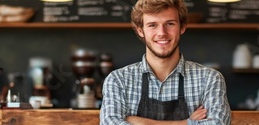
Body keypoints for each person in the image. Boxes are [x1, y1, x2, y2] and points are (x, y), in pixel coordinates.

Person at [99, 0, 231, 124]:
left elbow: (218, 123)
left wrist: (142, 122)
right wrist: (187, 122)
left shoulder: (210, 79)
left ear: (182, 27)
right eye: (152, 25)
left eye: (170, 24)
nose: (162, 33)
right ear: (140, 30)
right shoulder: (118, 80)